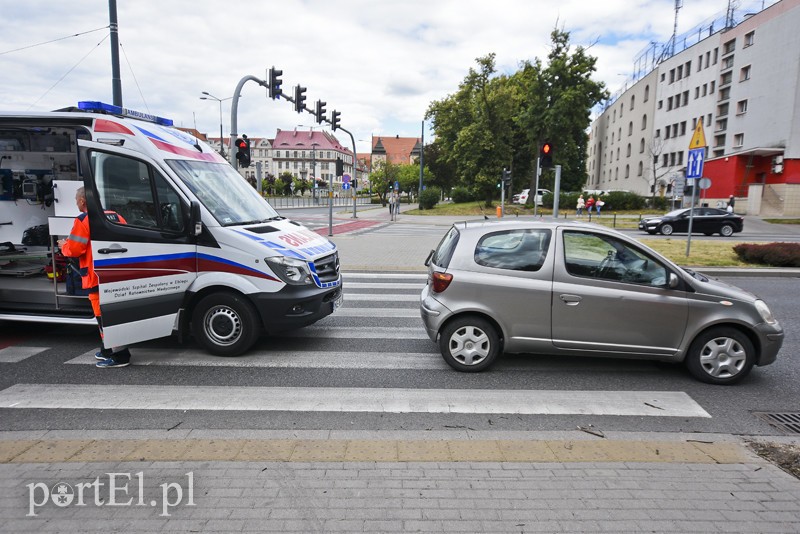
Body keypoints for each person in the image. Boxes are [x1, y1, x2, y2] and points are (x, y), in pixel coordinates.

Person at [58, 187, 131, 368]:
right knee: (113, 312)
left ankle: (121, 356)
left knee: (103, 316)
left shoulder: (83, 220)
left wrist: (63, 245)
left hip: (94, 275)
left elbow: (75, 249)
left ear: (83, 201)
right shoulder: (115, 215)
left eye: (76, 200)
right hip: (115, 273)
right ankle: (107, 349)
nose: (76, 204)